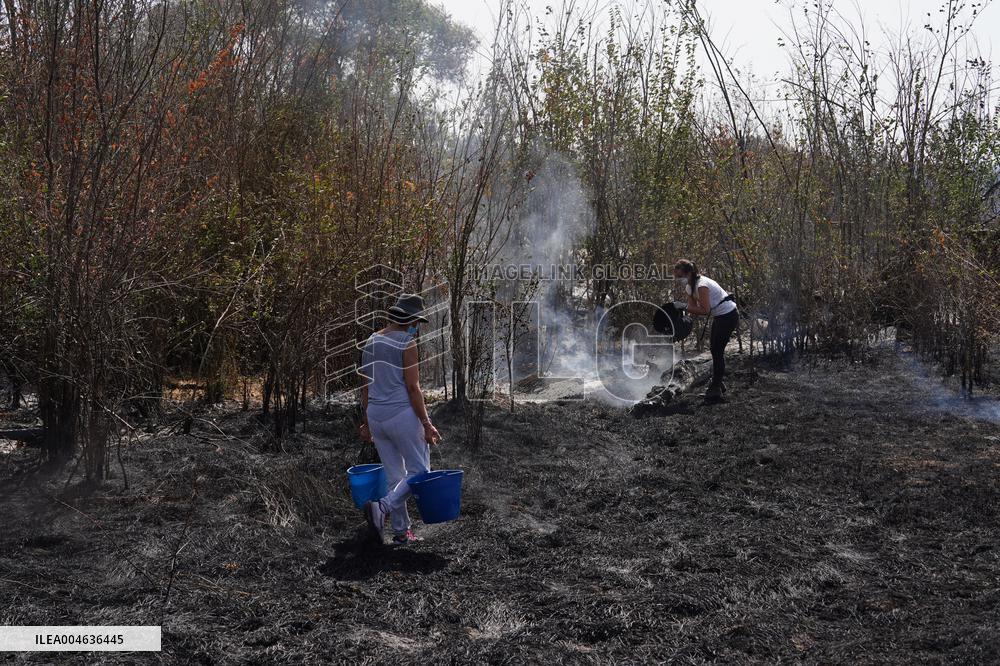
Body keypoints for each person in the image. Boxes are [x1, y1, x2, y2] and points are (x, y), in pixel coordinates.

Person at [358, 293, 442, 544]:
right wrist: (427, 424)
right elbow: (413, 388)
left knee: (396, 475)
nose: (417, 327)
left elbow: (365, 386)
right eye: (417, 321)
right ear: (411, 319)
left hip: (376, 415)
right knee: (420, 471)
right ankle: (382, 507)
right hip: (400, 415)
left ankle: (401, 532)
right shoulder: (406, 343)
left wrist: (365, 420)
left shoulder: (370, 342)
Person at [672, 260, 739, 400]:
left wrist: (683, 306)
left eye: (680, 276)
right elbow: (693, 309)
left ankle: (715, 388)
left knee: (717, 350)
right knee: (715, 350)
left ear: (689, 273)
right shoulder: (690, 287)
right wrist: (679, 317)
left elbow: (705, 310)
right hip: (719, 316)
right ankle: (718, 384)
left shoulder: (702, 285)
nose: (678, 280)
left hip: (728, 315)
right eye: (676, 277)